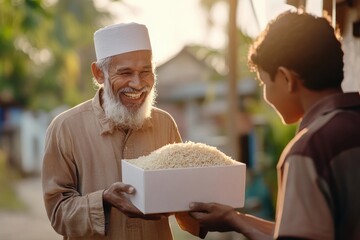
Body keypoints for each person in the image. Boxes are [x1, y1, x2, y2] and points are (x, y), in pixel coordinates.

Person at [189, 10, 360, 240]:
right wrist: (235, 219)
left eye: (264, 82)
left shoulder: (309, 150)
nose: (266, 95)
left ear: (286, 79)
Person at [42, 22, 190, 240]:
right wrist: (103, 200)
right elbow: (57, 213)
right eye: (125, 72)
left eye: (146, 72)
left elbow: (183, 196)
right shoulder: (65, 128)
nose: (138, 84)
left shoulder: (165, 124)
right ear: (99, 73)